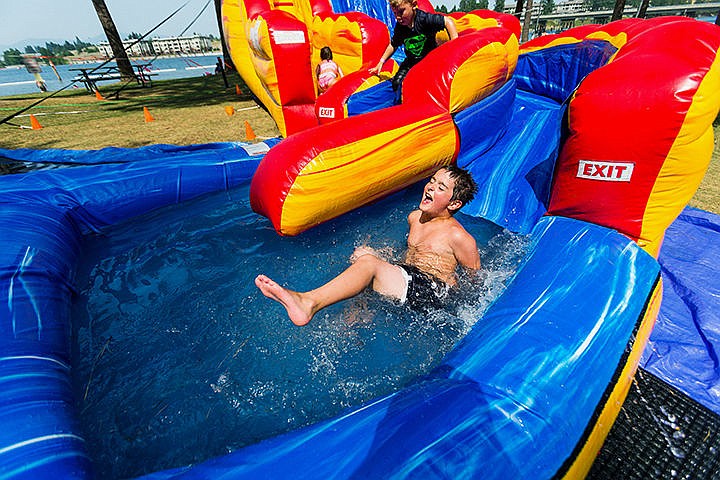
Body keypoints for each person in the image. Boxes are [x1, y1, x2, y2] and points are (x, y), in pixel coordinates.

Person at [255, 165, 480, 326]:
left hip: (433, 293)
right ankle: (360, 311)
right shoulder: (415, 218)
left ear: (455, 203)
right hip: (411, 278)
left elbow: (476, 281)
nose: (430, 187)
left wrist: (461, 307)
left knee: (371, 265)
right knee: (364, 253)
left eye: (441, 187)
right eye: (432, 181)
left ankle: (308, 302)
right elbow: (413, 255)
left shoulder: (459, 237)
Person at [369, 0, 458, 98]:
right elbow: (394, 44)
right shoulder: (400, 27)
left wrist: (455, 46)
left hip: (429, 59)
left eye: (401, 12)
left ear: (414, 5)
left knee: (428, 83)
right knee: (397, 83)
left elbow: (448, 21)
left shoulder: (424, 19)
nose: (398, 17)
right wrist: (381, 62)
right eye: (395, 13)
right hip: (411, 61)